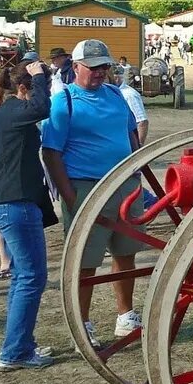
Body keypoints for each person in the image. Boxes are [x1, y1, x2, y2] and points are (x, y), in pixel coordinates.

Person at [41, 39, 143, 349]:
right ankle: (82, 324)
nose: (100, 73)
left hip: (125, 184)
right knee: (85, 262)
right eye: (93, 67)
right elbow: (51, 152)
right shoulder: (64, 101)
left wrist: (136, 171)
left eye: (105, 67)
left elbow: (130, 133)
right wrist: (72, 197)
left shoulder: (115, 95)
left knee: (126, 253)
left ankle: (126, 317)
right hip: (86, 187)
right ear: (76, 67)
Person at [0, 59, 55, 369]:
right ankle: (14, 352)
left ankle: (19, 345)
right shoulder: (16, 111)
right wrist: (40, 78)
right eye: (32, 90)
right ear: (22, 89)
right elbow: (42, 108)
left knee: (23, 277)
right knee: (32, 278)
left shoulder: (4, 115)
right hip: (17, 205)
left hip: (10, 206)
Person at [112, 66, 149, 146]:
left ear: (117, 78)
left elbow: (142, 122)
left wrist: (138, 146)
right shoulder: (111, 92)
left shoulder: (129, 95)